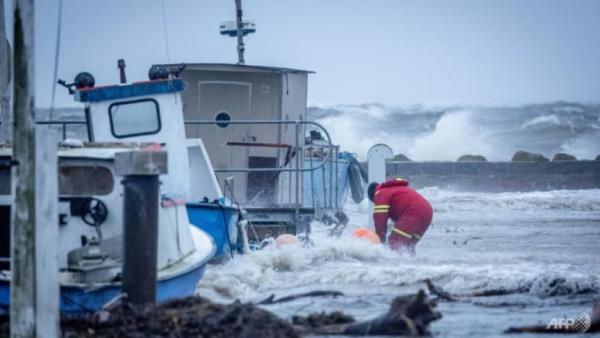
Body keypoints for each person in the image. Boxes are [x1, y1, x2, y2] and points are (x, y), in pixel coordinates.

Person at [368, 178, 433, 252]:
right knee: (408, 246)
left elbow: (380, 219)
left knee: (394, 243)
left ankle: (392, 263)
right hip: (428, 212)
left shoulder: (380, 193)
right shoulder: (394, 189)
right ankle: (413, 262)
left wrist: (380, 242)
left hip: (414, 211)